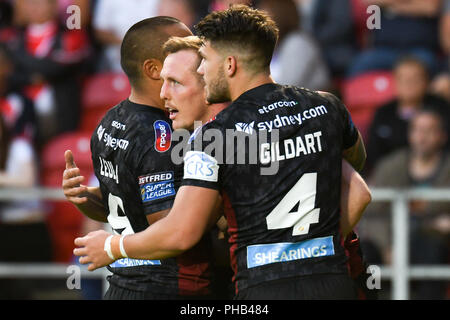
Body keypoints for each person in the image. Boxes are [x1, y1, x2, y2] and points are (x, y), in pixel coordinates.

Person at [74, 6, 371, 300]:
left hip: (262, 285)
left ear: (229, 65)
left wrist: (114, 247)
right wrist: (309, 247)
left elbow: (181, 231)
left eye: (205, 60)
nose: (202, 69)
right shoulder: (324, 106)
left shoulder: (218, 135)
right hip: (335, 278)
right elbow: (358, 185)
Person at [63, 17, 215, 300]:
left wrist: (86, 197)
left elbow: (121, 206)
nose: (194, 50)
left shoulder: (108, 122)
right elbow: (169, 226)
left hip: (124, 287)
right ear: (154, 69)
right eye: (178, 46)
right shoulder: (161, 136)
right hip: (171, 287)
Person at [362, 110, 449, 299]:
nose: (422, 137)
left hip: (429, 245)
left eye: (429, 131)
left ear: (442, 136)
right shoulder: (390, 166)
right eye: (417, 130)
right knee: (364, 253)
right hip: (387, 243)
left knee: (430, 248)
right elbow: (370, 214)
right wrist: (387, 246)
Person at [367, 56, 450, 168]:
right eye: (403, 78)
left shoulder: (441, 108)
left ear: (426, 82)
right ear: (395, 82)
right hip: (391, 175)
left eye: (415, 78)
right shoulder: (383, 112)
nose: (409, 83)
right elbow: (373, 152)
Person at [256, 0, 331, 91]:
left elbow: (287, 86)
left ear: (280, 16)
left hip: (311, 103)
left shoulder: (297, 43)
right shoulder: (275, 46)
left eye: (265, 16)